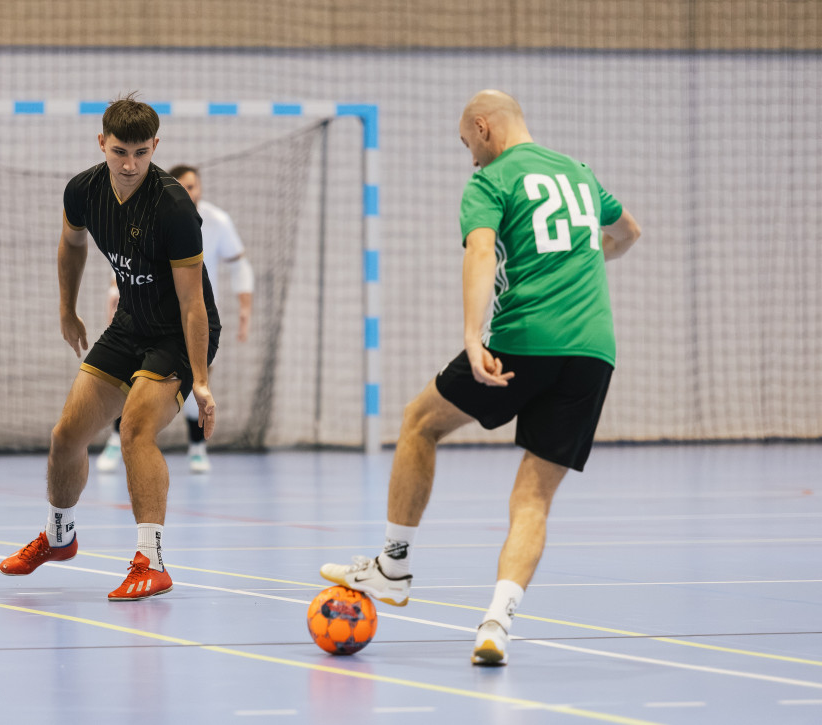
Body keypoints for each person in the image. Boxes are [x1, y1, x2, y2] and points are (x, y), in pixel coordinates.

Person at [320, 90, 641, 665]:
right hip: (594, 350)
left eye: (469, 144)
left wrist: (473, 336)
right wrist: (583, 261)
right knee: (534, 498)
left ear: (483, 126)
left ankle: (393, 566)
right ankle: (496, 623)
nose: (471, 157)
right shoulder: (580, 173)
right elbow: (628, 234)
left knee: (419, 421)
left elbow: (481, 253)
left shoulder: (492, 181)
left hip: (523, 342)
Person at [0, 93, 221, 602]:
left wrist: (201, 381)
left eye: (141, 153)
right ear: (102, 142)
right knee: (65, 436)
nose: (129, 164)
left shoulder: (173, 207)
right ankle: (59, 538)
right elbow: (71, 244)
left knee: (136, 431)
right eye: (120, 150)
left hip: (174, 334)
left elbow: (193, 305)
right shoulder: (83, 191)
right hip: (128, 326)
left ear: (155, 147)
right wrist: (66, 309)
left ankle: (152, 560)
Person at [97, 164, 253, 474]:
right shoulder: (148, 218)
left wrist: (245, 309)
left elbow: (239, 265)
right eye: (181, 186)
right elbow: (127, 265)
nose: (187, 191)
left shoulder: (218, 222)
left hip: (195, 322)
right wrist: (114, 295)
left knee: (197, 384)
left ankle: (197, 448)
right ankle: (117, 441)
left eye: (192, 186)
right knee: (130, 381)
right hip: (150, 319)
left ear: (200, 189)